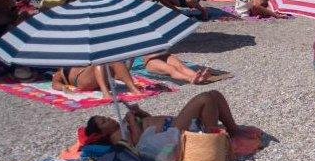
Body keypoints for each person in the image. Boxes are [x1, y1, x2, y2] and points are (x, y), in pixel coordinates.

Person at [87, 90, 246, 147]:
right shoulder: (116, 137)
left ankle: (233, 130)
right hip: (171, 133)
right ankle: (214, 142)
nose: (108, 119)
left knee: (214, 95)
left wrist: (139, 112)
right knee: (205, 98)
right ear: (102, 133)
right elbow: (137, 145)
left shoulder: (122, 124)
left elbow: (149, 121)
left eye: (104, 117)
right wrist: (131, 121)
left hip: (171, 124)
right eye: (103, 122)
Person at [52, 63, 143, 99]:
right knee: (100, 61)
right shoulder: (61, 71)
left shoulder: (79, 59)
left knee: (115, 60)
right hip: (84, 81)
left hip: (96, 76)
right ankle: (106, 93)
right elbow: (54, 84)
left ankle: (132, 88)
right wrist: (64, 87)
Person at [140, 52, 211, 84]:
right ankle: (190, 79)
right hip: (148, 61)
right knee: (171, 69)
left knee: (181, 66)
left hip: (163, 55)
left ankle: (198, 76)